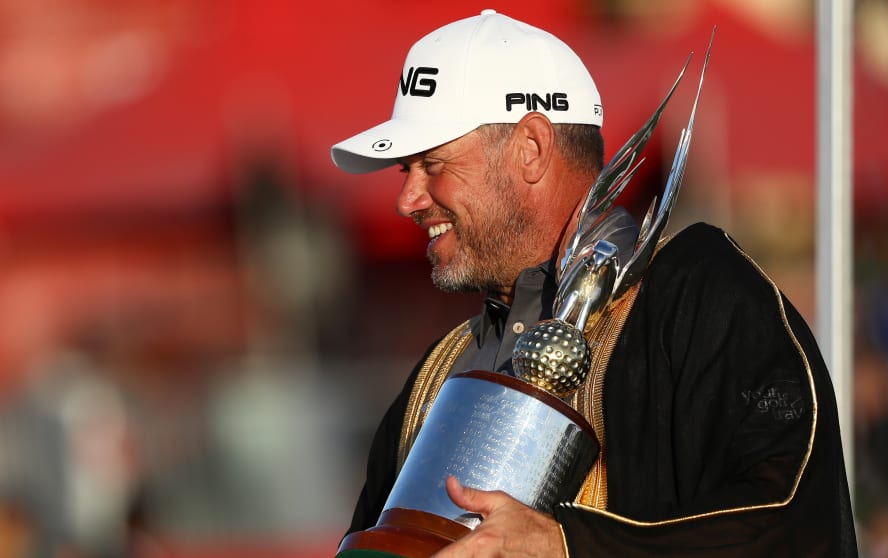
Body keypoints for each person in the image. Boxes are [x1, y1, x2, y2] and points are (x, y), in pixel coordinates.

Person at [331, 9, 857, 557]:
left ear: (530, 148)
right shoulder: (436, 373)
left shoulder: (701, 300)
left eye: (431, 165)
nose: (407, 199)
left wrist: (567, 546)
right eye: (404, 171)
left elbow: (799, 529)